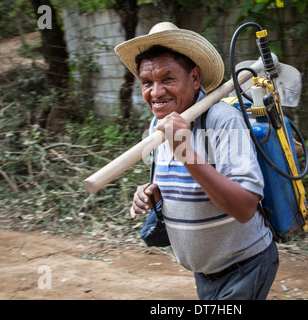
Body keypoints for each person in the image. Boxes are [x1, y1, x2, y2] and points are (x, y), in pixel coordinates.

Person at [115, 22, 279, 300]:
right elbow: (171, 182)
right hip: (205, 273)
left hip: (244, 267)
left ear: (194, 78)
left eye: (167, 79)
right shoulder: (158, 123)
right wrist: (150, 194)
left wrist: (186, 152)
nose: (155, 93)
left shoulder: (223, 121)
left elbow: (244, 208)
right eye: (146, 82)